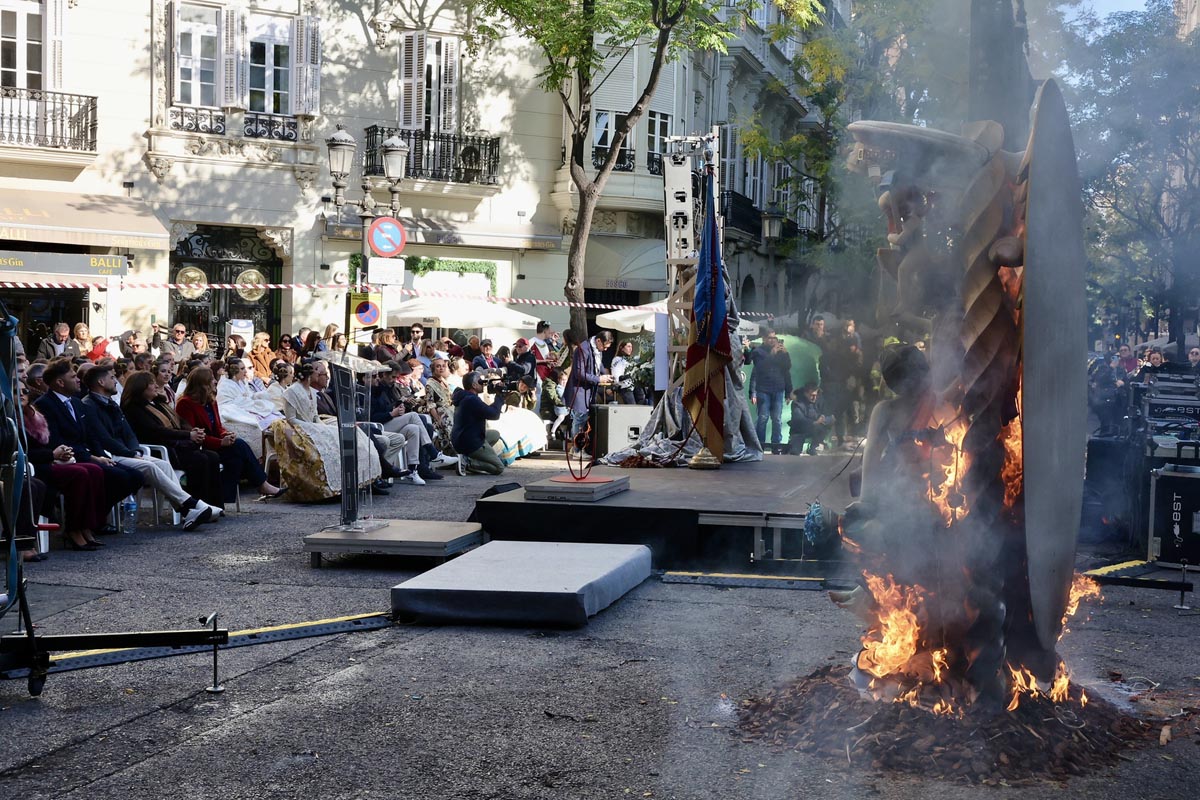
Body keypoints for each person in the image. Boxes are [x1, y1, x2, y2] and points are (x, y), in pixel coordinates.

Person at [81, 365, 219, 530]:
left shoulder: (111, 404)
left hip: (127, 452)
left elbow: (129, 433)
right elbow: (103, 438)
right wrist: (130, 453)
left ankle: (188, 512)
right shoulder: (89, 405)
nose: (116, 382)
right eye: (112, 378)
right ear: (101, 382)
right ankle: (191, 505)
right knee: (149, 465)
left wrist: (135, 451)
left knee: (163, 464)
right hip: (109, 455)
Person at [33, 358, 144, 524]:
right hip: (67, 457)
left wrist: (100, 455)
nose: (78, 379)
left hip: (87, 455)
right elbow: (57, 441)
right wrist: (91, 457)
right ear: (60, 382)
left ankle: (96, 517)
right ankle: (87, 523)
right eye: (73, 377)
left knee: (135, 476)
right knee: (117, 476)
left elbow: (91, 436)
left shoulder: (76, 403)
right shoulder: (45, 405)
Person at [277, 361, 390, 499]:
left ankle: (364, 481)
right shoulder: (291, 392)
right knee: (332, 445)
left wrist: (321, 426)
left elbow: (315, 416)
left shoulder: (311, 391)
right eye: (318, 373)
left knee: (351, 436)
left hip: (315, 426)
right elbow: (291, 418)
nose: (320, 376)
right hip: (301, 430)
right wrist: (314, 427)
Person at [175, 366, 285, 503]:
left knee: (236, 456)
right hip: (200, 446)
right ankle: (261, 485)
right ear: (202, 384)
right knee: (239, 447)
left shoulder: (211, 401)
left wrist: (226, 434)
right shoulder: (185, 404)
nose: (215, 382)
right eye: (212, 380)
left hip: (214, 443)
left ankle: (223, 500)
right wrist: (220, 442)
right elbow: (192, 433)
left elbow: (218, 427)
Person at [21, 384, 110, 551]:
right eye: (15, 391)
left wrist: (62, 452)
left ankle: (87, 526)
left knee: (95, 470)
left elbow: (49, 444)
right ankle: (73, 529)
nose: (21, 394)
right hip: (34, 466)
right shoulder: (11, 418)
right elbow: (23, 451)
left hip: (48, 459)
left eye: (24, 391)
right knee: (80, 473)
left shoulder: (35, 415)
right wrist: (52, 455)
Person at [122, 370, 224, 512]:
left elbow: (180, 421)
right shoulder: (134, 409)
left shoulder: (157, 403)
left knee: (212, 456)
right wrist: (188, 435)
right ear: (141, 388)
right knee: (200, 459)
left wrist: (193, 431)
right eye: (151, 383)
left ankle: (216, 505)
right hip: (161, 449)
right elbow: (156, 431)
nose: (156, 386)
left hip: (176, 444)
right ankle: (198, 506)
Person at [564, 329, 614, 455]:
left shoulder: (596, 349)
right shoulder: (582, 350)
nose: (605, 349)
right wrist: (599, 379)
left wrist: (606, 375)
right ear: (598, 341)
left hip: (588, 390)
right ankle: (577, 450)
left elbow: (599, 365)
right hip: (578, 390)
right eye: (604, 346)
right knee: (579, 418)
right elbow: (579, 374)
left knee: (584, 418)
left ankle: (576, 448)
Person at [451, 371, 507, 475]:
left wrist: (499, 397)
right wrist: (499, 396)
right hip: (471, 442)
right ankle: (468, 462)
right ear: (474, 385)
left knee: (495, 434)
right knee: (499, 468)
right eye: (480, 382)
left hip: (460, 439)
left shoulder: (464, 397)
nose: (483, 384)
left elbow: (487, 411)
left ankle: (470, 456)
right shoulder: (471, 400)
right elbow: (494, 415)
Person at [746, 331, 792, 453]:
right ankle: (760, 444)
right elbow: (759, 369)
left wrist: (788, 392)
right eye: (770, 338)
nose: (773, 340)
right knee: (763, 417)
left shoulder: (781, 352)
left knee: (777, 418)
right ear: (764, 338)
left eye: (775, 338)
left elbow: (787, 370)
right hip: (763, 389)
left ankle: (776, 445)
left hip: (778, 389)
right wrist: (753, 392)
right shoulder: (758, 352)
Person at [789, 385, 832, 455]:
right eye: (812, 395)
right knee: (795, 452)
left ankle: (813, 447)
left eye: (816, 395)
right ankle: (794, 445)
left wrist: (825, 419)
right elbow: (799, 419)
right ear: (805, 394)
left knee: (823, 426)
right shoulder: (797, 403)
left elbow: (827, 414)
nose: (814, 397)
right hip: (799, 431)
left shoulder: (819, 401)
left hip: (814, 429)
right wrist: (814, 422)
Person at [540, 368, 569, 439]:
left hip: (553, 409)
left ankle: (562, 434)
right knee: (566, 418)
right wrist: (566, 404)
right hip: (548, 411)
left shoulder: (554, 384)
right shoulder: (550, 385)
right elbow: (554, 399)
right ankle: (556, 433)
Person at [610, 340, 639, 405]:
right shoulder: (617, 359)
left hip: (635, 387)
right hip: (625, 387)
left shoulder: (630, 360)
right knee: (632, 408)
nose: (630, 349)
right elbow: (617, 377)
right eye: (628, 346)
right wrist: (630, 375)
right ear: (622, 348)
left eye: (631, 347)